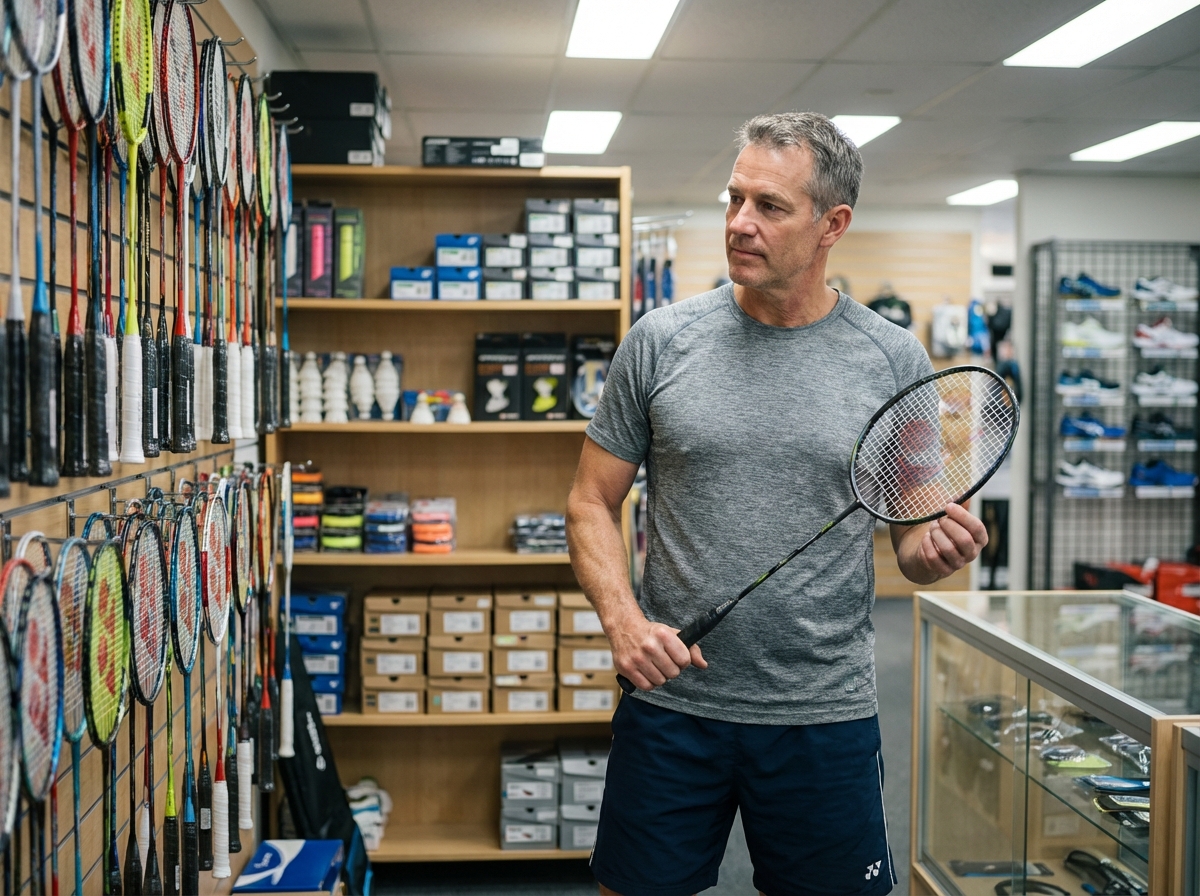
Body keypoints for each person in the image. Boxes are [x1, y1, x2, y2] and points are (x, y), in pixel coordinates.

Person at [565, 111, 988, 896]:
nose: (739, 223)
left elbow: (913, 538)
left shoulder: (892, 358)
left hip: (821, 712)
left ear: (833, 225)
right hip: (672, 703)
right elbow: (591, 500)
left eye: (769, 206)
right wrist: (623, 623)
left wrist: (935, 551)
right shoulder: (659, 341)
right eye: (734, 199)